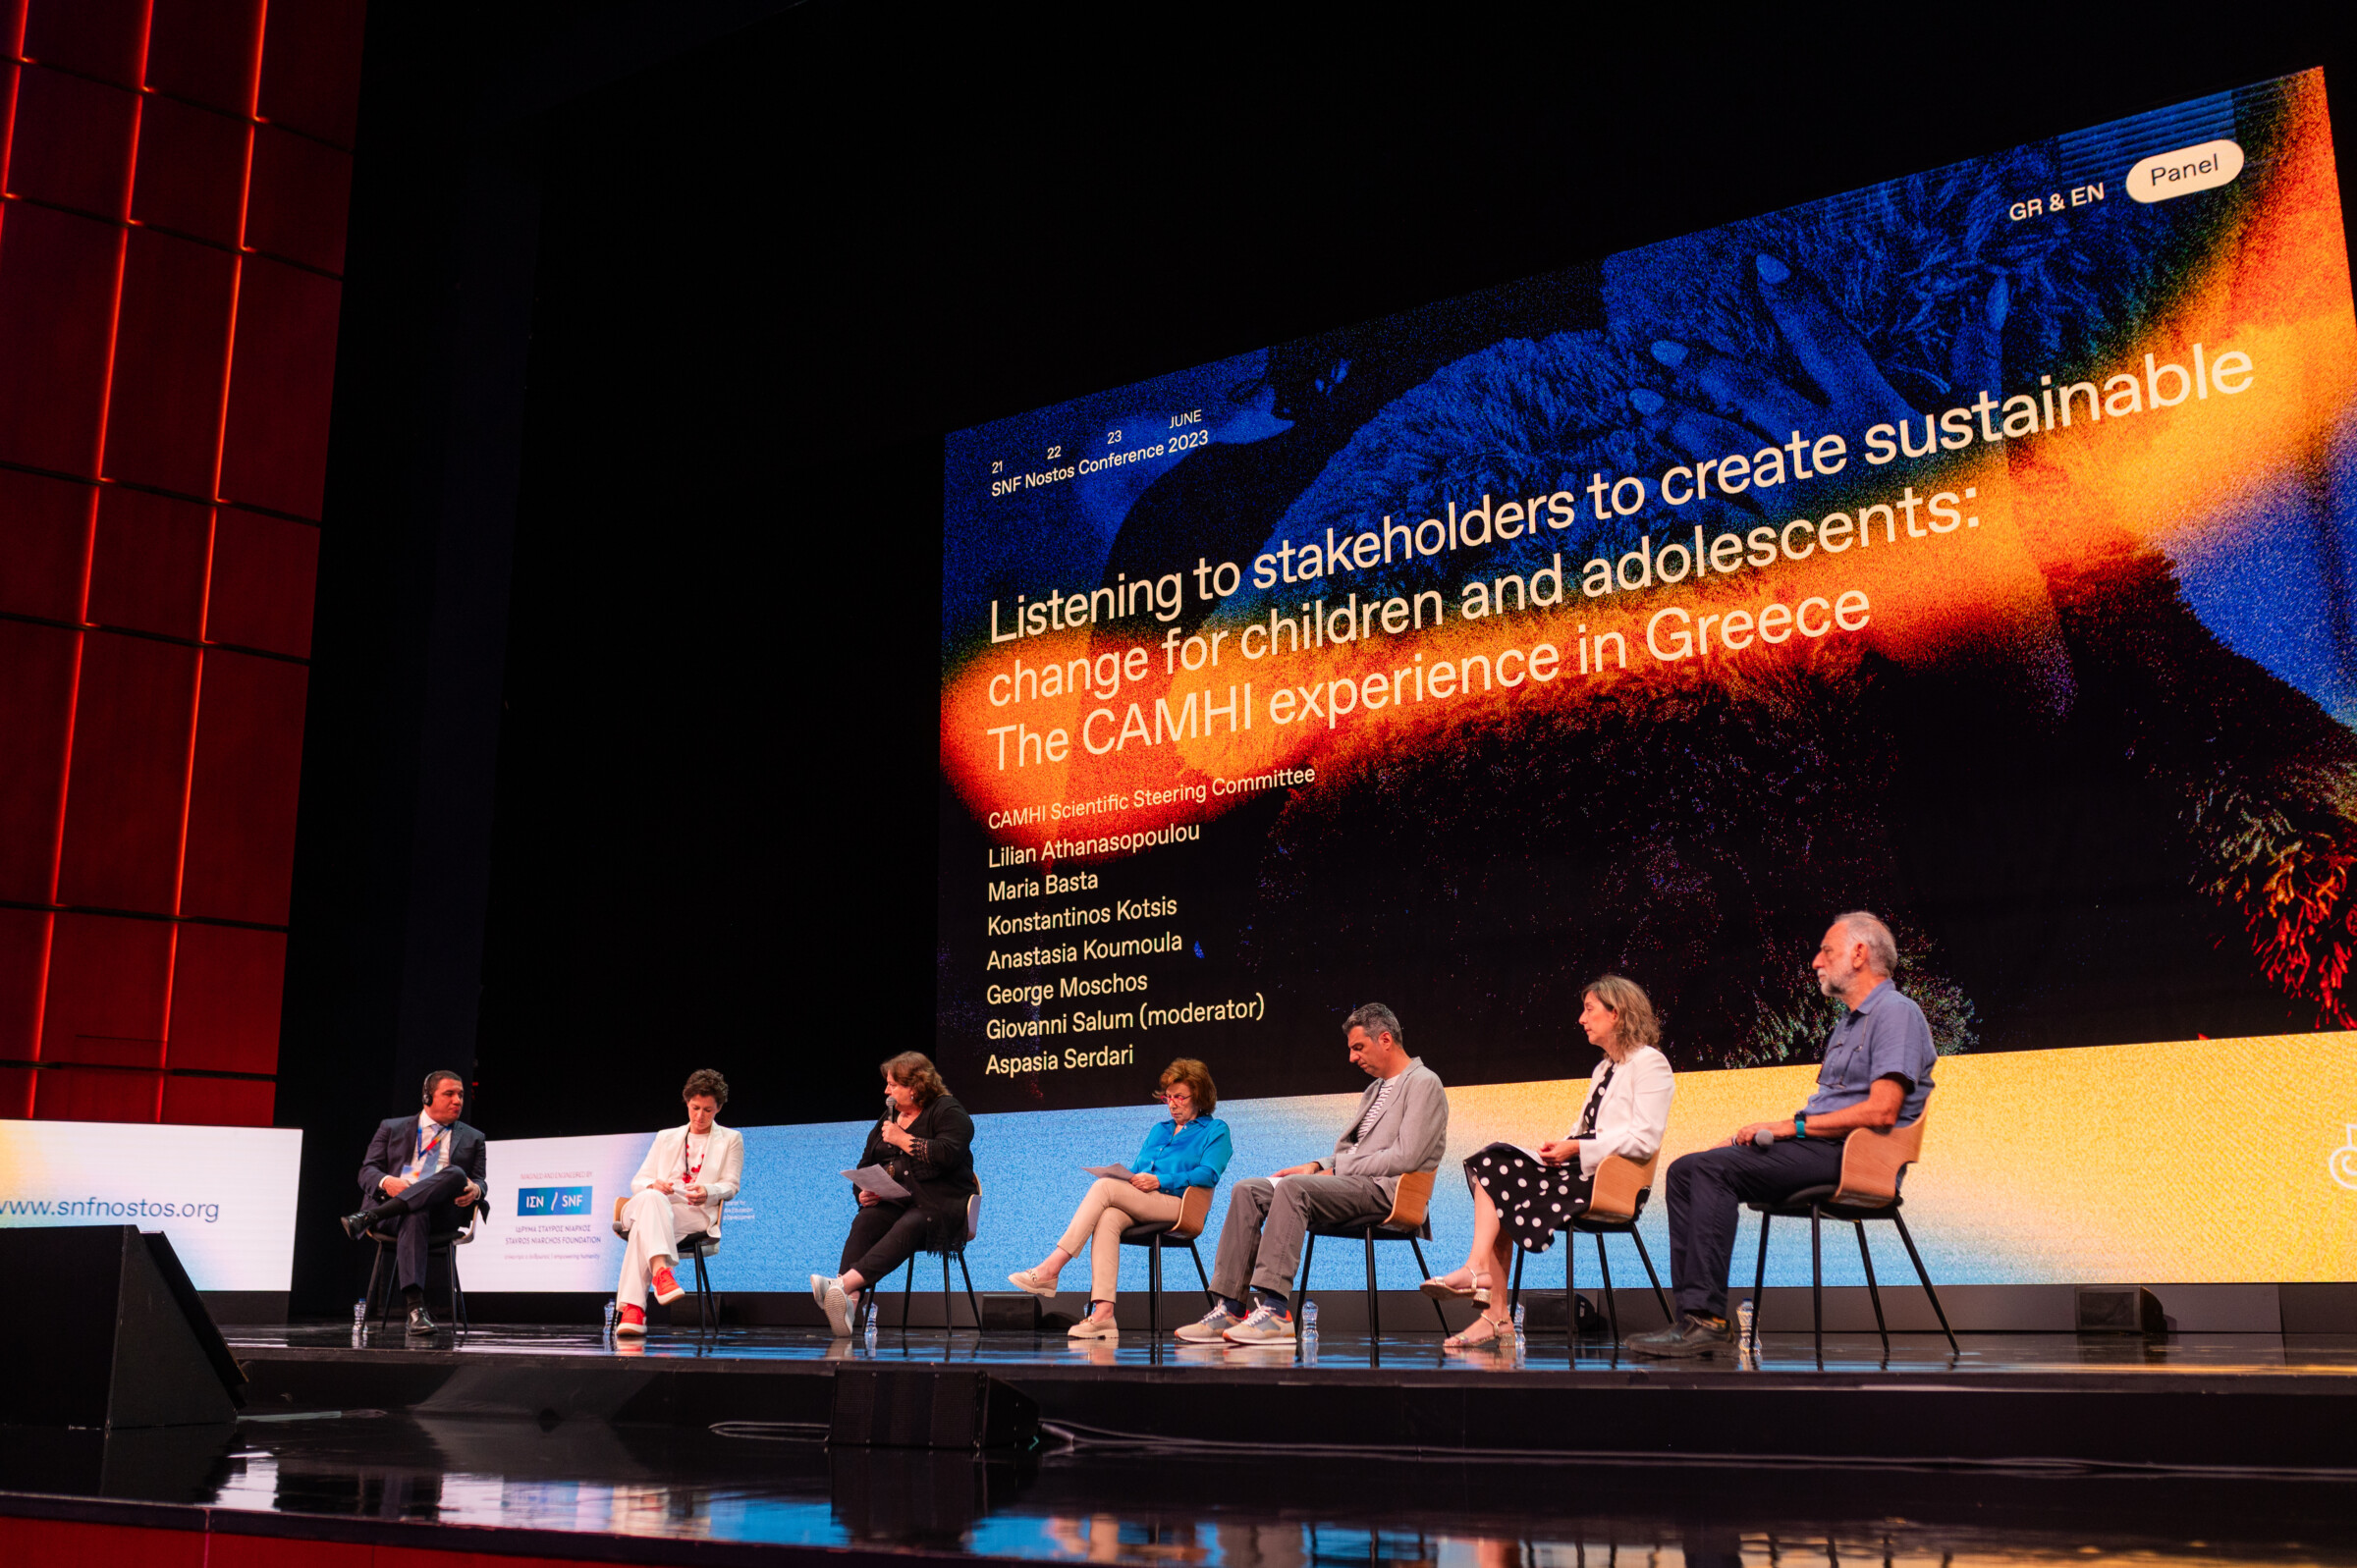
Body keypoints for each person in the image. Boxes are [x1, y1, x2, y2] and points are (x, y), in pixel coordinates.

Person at [1627, 910, 1938, 1357]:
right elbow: (1833, 1106)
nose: (1816, 961)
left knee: (1713, 1172)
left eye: (1826, 951)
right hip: (1819, 1146)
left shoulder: (1896, 1013)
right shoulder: (1849, 1022)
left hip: (1853, 1157)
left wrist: (1789, 1128)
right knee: (1685, 1170)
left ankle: (1708, 1321)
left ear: (1859, 953)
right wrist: (1767, 1133)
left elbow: (1883, 1110)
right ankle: (1692, 1319)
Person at [1423, 974, 1674, 1348]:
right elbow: (1586, 1129)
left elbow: (1644, 1139)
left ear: (1617, 1013)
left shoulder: (1650, 1064)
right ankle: (1491, 1305)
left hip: (1611, 1183)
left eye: (1589, 1010)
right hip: (1580, 1170)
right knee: (1490, 1163)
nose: (1581, 1019)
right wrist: (1560, 1146)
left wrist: (1576, 1150)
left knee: (1500, 1181)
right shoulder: (1605, 1068)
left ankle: (1490, 1302)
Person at [1176, 1003, 1449, 1344]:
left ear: (1386, 1039)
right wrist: (1318, 1166)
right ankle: (1230, 1308)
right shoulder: (1375, 1090)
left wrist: (1336, 1170)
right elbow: (1357, 1150)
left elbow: (1406, 1156)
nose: (1352, 1057)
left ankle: (1276, 1312)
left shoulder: (1424, 1083)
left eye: (1358, 1047)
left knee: (1294, 1189)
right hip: (1353, 1182)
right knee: (1248, 1189)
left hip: (1387, 1192)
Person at [1008, 1057, 1233, 1338]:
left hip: (1180, 1205)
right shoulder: (1159, 1130)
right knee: (1108, 1216)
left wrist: (1161, 1180)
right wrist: (1131, 1178)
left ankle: (1051, 1268)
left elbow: (1208, 1174)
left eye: (1180, 1097)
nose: (1172, 1104)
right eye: (1168, 1098)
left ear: (1199, 1096)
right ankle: (1103, 1314)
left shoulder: (1216, 1130)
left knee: (1104, 1188)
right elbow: (1140, 1168)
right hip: (1146, 1200)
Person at [809, 1052, 977, 1337]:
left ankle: (841, 1285)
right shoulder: (887, 1118)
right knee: (867, 1219)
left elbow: (949, 1153)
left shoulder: (947, 1110)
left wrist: (903, 1139)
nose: (886, 1091)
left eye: (893, 1084)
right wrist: (863, 1191)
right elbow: (866, 1163)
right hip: (898, 1203)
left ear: (915, 1086)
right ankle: (848, 1304)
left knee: (913, 1222)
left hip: (942, 1204)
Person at [343, 1069, 486, 1335]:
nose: (458, 1101)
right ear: (427, 1097)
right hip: (395, 1217)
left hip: (442, 1215)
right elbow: (367, 1171)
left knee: (455, 1173)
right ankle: (416, 1310)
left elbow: (480, 1180)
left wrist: (476, 1190)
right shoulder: (392, 1127)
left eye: (461, 1095)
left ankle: (368, 1217)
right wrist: (387, 1181)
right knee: (415, 1212)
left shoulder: (473, 1137)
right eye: (449, 1094)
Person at [613, 1067, 744, 1337]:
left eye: (707, 1110)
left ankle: (633, 1312)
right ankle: (662, 1274)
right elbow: (638, 1182)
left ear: (718, 1108)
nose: (699, 1116)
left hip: (692, 1215)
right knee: (651, 1198)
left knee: (643, 1228)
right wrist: (653, 1185)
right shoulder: (666, 1136)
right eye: (695, 1107)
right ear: (687, 1102)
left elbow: (731, 1186)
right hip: (653, 1206)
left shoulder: (731, 1139)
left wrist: (708, 1191)